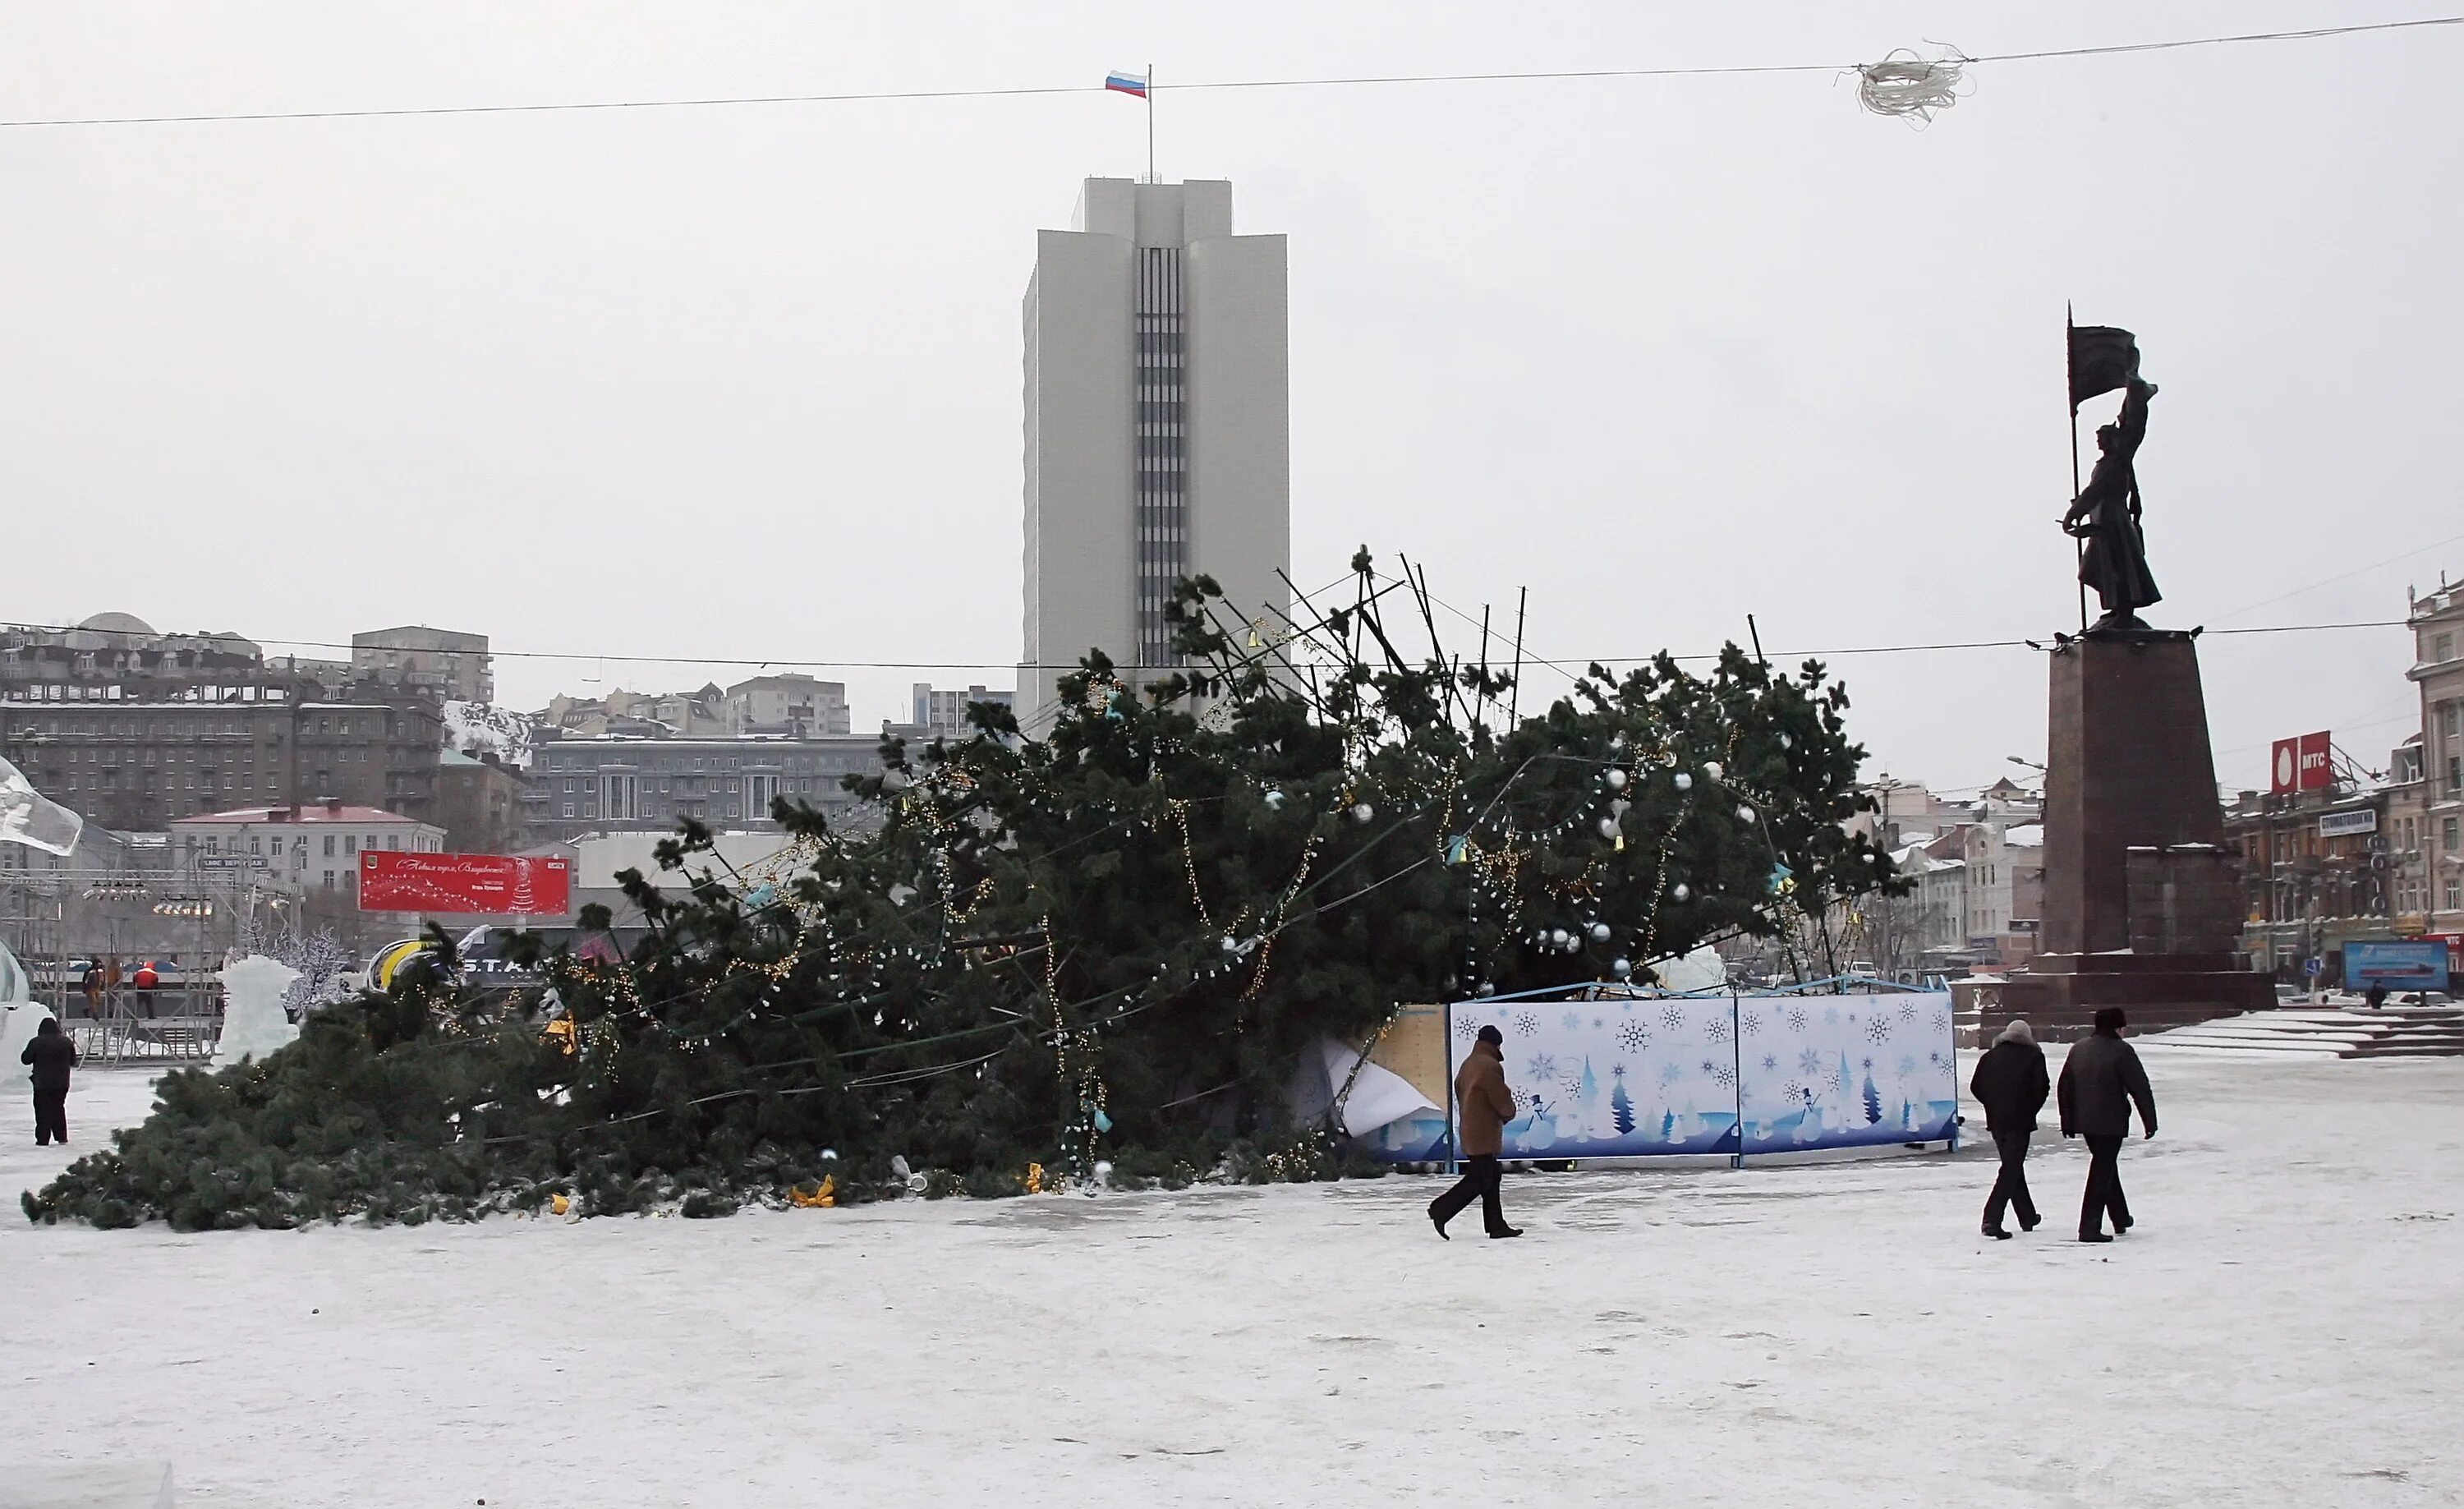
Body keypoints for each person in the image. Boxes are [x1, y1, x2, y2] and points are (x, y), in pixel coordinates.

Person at [2057, 1006, 2158, 1244]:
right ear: (2119, 1028)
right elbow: (2140, 1088)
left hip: (2085, 1121)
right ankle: (2089, 1227)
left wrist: (2068, 1121)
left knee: (2105, 1164)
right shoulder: (2121, 1051)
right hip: (2111, 1121)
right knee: (2101, 1170)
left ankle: (2120, 1217)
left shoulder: (2079, 1049)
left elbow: (2065, 1087)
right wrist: (2150, 1122)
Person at [1429, 1024, 1522, 1240]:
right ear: (1495, 1044)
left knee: (1491, 1175)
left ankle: (1496, 1225)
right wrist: (1509, 1113)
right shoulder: (1489, 1066)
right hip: (1483, 1131)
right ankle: (1441, 1210)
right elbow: (1500, 1097)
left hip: (1471, 1129)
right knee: (1480, 1179)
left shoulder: (1469, 1063)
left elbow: (1459, 1089)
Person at [1970, 1018, 2050, 1240]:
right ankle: (1991, 1219)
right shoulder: (2034, 1056)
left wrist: (1992, 1105)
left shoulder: (1989, 1057)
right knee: (2010, 1169)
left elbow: (1976, 1086)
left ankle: (2027, 1216)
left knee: (2012, 1166)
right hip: (2020, 1121)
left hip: (1997, 1121)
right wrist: (2030, 1109)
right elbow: (2041, 1087)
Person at [21, 1016, 79, 1147]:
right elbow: (73, 1062)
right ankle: (62, 1137)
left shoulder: (36, 1042)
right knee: (59, 1108)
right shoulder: (67, 1042)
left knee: (42, 1111)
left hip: (42, 1083)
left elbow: (25, 1060)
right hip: (62, 1083)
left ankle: (43, 1139)